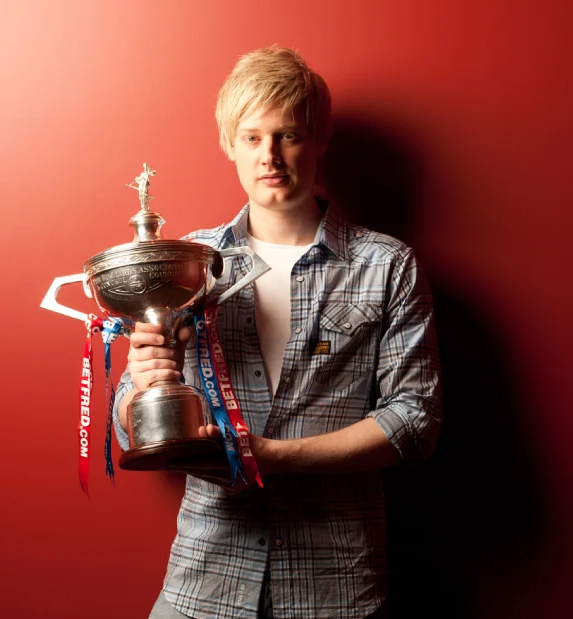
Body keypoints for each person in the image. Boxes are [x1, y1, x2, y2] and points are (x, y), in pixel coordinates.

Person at [110, 45, 443, 619]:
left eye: (288, 135)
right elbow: (126, 425)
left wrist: (274, 457)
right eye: (252, 137)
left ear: (318, 140)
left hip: (334, 587)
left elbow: (414, 421)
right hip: (204, 584)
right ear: (229, 146)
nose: (271, 156)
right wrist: (142, 384)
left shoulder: (388, 265)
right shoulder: (188, 264)